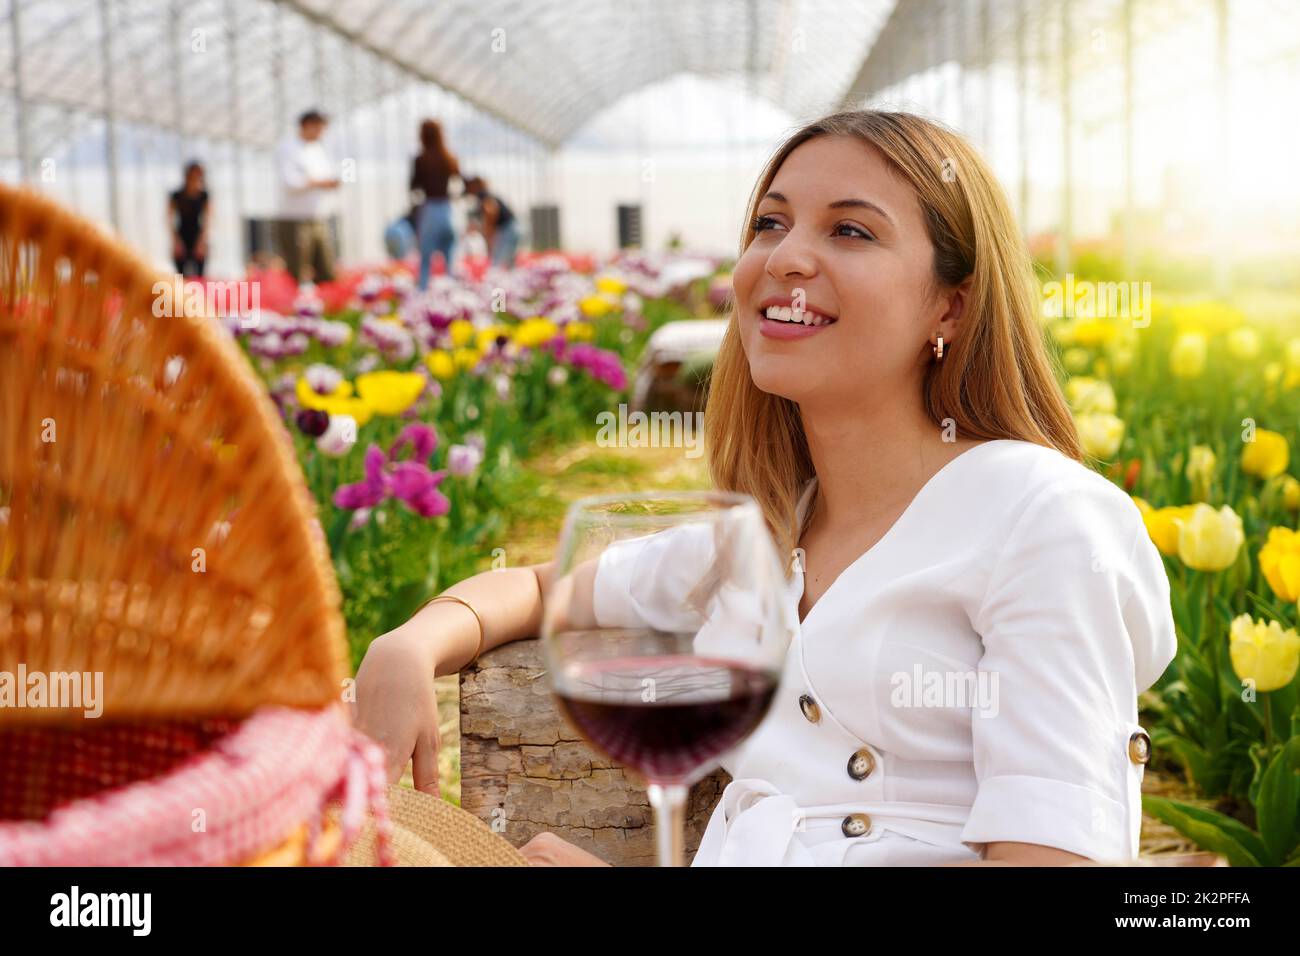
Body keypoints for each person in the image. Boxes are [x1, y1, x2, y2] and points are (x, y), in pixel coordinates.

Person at [352, 110, 1178, 867]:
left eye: (851, 230)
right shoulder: (763, 537)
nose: (784, 257)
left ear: (951, 308)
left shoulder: (1042, 520)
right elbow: (541, 588)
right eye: (769, 224)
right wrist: (409, 646)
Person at [275, 109, 340, 284]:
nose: (321, 133)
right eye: (318, 128)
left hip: (318, 217)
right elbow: (290, 182)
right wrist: (319, 183)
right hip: (295, 219)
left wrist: (332, 182)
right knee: (297, 271)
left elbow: (330, 175)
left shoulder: (318, 149)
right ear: (307, 125)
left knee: (326, 270)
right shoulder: (288, 147)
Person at [410, 119, 460, 290]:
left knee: (425, 259)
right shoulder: (449, 158)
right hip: (448, 210)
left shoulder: (420, 160)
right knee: (450, 259)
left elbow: (413, 188)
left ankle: (422, 295)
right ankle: (452, 295)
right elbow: (459, 183)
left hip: (430, 209)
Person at [463, 175, 519, 269]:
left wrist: (489, 236)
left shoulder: (483, 196)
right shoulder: (487, 195)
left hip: (508, 228)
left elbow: (491, 212)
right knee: (509, 262)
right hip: (513, 226)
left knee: (497, 261)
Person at [168, 161, 209, 277]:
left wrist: (202, 241)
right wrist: (176, 241)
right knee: (180, 277)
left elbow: (207, 220)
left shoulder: (204, 196)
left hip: (197, 236)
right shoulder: (176, 196)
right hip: (181, 236)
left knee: (200, 277)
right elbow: (169, 219)